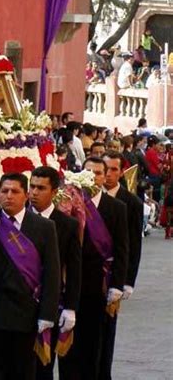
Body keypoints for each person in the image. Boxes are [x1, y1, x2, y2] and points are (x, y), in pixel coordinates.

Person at [0, 173, 60, 380]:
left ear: (26, 195)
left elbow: (52, 273)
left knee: (23, 374)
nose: (9, 196)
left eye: (15, 191)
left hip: (26, 316)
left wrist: (47, 314)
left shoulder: (44, 227)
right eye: (4, 191)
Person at [66, 157, 128, 380]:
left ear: (104, 177)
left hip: (98, 284)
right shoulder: (69, 202)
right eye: (88, 171)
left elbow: (122, 249)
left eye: (97, 173)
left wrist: (118, 285)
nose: (92, 177)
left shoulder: (117, 208)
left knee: (93, 342)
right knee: (68, 345)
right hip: (71, 283)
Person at [29, 167, 81, 380]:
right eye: (31, 186)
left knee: (43, 367)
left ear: (54, 191)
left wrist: (70, 308)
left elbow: (75, 269)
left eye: (40, 188)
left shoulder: (68, 224)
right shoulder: (14, 220)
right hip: (19, 305)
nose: (33, 192)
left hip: (50, 304)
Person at [100, 152, 143, 380]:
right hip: (89, 275)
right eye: (105, 169)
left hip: (113, 275)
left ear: (121, 172)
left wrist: (128, 281)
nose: (108, 174)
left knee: (107, 330)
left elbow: (134, 244)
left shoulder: (131, 202)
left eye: (114, 169)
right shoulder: (86, 199)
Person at [144, 135, 163, 201]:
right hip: (154, 176)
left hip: (151, 175)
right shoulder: (152, 152)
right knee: (156, 194)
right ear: (153, 145)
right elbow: (158, 166)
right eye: (158, 144)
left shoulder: (149, 151)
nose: (159, 146)